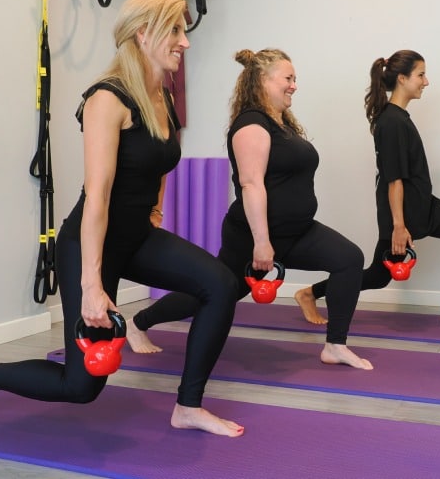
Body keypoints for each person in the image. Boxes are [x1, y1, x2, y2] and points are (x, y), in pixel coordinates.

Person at [0, 0, 244, 437]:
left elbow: (162, 158)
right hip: (90, 245)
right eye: (176, 31)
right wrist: (92, 284)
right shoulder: (107, 100)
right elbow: (98, 197)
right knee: (82, 385)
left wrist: (155, 209)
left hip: (136, 238)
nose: (185, 43)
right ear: (144, 34)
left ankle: (188, 406)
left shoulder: (161, 96)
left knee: (221, 284)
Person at [126, 48, 373, 370]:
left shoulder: (281, 123)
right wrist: (261, 242)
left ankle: (336, 345)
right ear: (263, 80)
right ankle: (138, 322)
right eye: (288, 78)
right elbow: (251, 185)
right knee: (219, 291)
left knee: (349, 259)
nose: (294, 85)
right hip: (254, 235)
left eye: (295, 79)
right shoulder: (251, 125)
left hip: (297, 231)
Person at [295, 50, 440, 329]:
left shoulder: (397, 118)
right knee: (378, 276)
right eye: (421, 75)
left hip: (423, 205)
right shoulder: (391, 122)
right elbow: (393, 179)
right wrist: (398, 226)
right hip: (405, 212)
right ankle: (308, 293)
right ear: (402, 78)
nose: (426, 82)